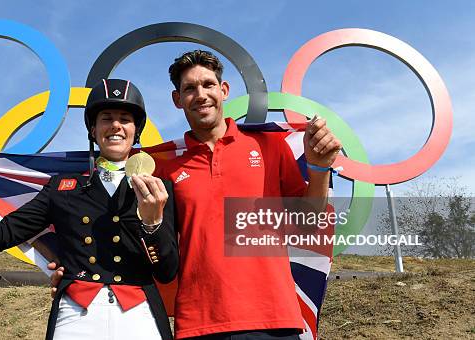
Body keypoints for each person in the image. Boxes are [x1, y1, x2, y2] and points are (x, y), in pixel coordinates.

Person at [50, 50, 342, 339]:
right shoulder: (164, 168)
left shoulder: (269, 147)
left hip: (274, 318)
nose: (200, 94)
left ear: (224, 90)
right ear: (178, 100)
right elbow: (133, 232)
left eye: (208, 84)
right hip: (199, 324)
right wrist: (78, 267)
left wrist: (319, 168)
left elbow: (307, 224)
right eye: (189, 88)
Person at [0, 79, 179, 340]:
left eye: (125, 118)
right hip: (76, 314)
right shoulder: (64, 188)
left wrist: (152, 223)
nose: (116, 126)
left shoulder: (158, 187)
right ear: (93, 129)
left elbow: (166, 271)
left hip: (139, 314)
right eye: (106, 118)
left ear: (136, 130)